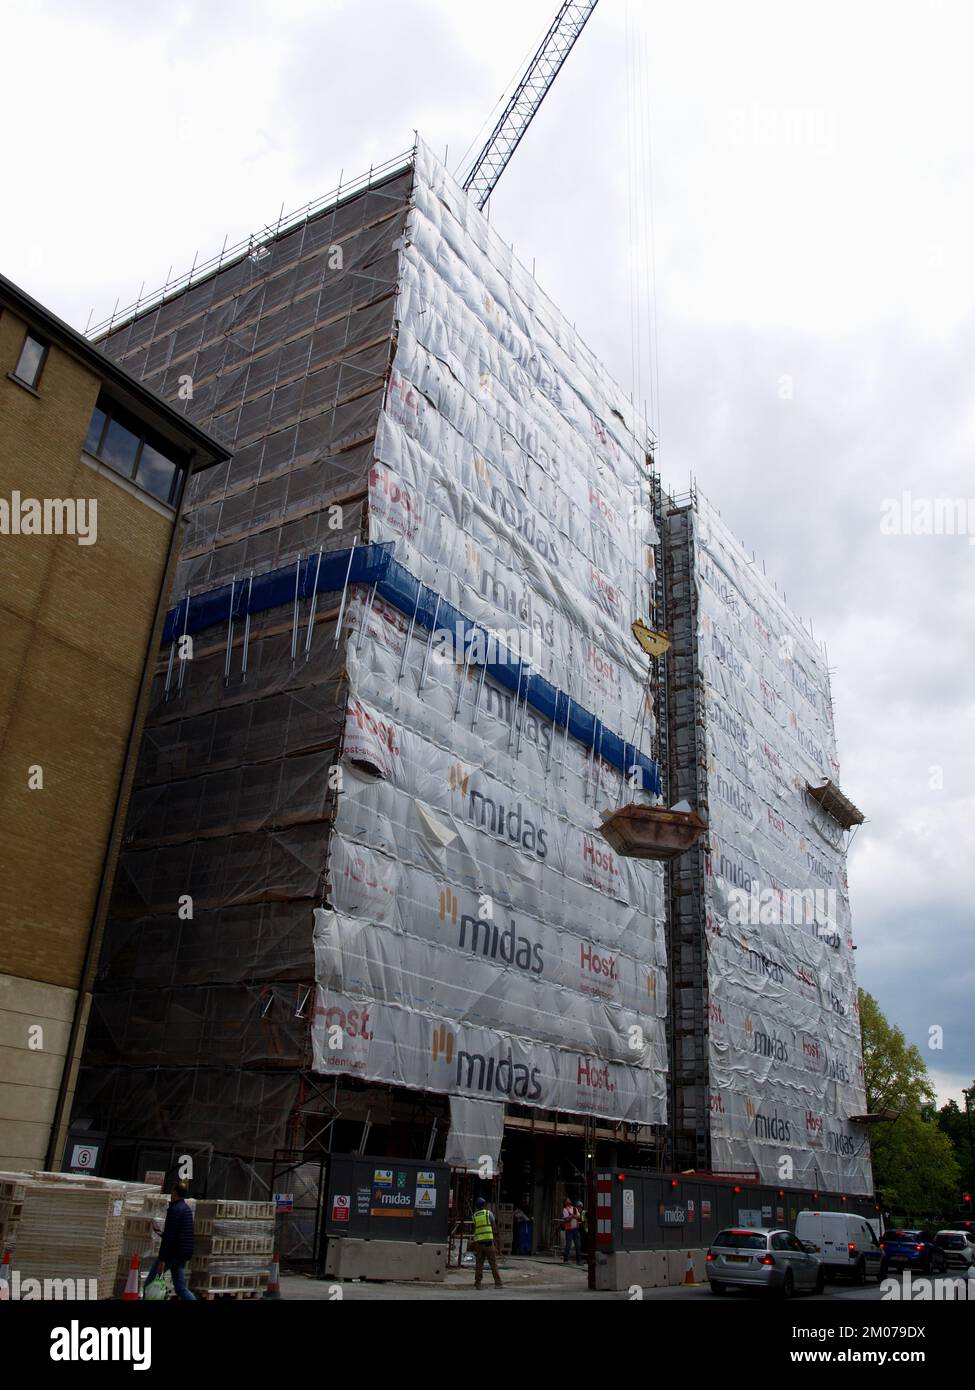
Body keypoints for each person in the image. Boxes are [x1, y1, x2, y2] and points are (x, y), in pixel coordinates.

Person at [145, 1182, 196, 1300]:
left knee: (149, 1283)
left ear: (174, 1192)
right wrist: (160, 1233)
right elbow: (177, 1234)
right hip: (182, 1253)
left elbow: (170, 1238)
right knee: (180, 1288)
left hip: (173, 1253)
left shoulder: (174, 1209)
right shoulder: (186, 1209)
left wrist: (162, 1259)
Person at [471, 1197, 504, 1289]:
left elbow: (475, 1228)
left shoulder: (474, 1216)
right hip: (488, 1243)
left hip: (478, 1243)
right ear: (484, 1205)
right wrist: (496, 1240)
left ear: (477, 1206)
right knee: (493, 1263)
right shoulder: (488, 1213)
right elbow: (494, 1227)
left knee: (479, 1264)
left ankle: (477, 1284)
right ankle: (498, 1283)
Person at [562, 1196, 583, 1265]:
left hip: (576, 1229)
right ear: (565, 1203)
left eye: (569, 1200)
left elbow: (578, 1216)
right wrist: (572, 1216)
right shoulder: (565, 1210)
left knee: (578, 1245)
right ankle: (565, 1259)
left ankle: (579, 1261)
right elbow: (566, 1219)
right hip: (569, 1229)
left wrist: (572, 1216)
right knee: (568, 1245)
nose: (569, 1201)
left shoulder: (574, 1208)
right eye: (567, 1200)